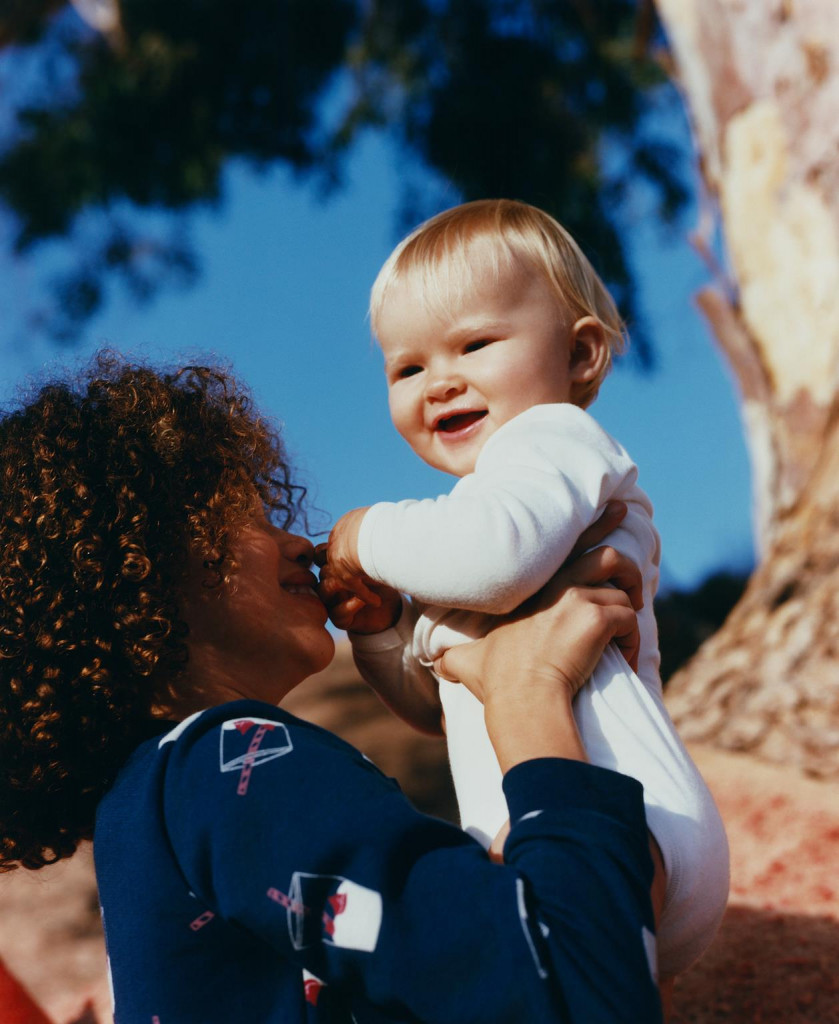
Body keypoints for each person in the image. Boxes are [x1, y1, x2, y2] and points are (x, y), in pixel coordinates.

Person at [0, 353, 663, 1023]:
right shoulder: (224, 765)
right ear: (140, 565)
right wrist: (528, 690)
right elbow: (577, 991)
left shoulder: (150, 813)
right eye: (251, 518)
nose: (299, 544)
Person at [320, 199, 729, 986]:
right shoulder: (476, 525)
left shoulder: (549, 445)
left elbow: (499, 559)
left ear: (578, 356)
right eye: (407, 368)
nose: (439, 382)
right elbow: (431, 706)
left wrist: (364, 532)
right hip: (541, 825)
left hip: (622, 811)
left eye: (474, 343)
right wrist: (379, 635)